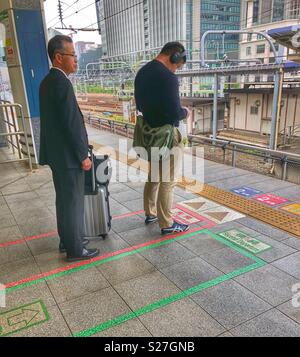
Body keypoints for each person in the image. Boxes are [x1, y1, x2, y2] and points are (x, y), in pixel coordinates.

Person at [39, 35, 100, 261]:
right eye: (72, 55)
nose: (76, 59)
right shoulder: (61, 83)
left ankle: (68, 240)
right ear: (58, 57)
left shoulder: (47, 81)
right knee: (73, 202)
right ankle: (76, 250)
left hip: (58, 156)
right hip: (68, 157)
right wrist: (83, 155)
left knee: (64, 200)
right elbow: (71, 124)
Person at [134, 42, 191, 235]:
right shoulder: (168, 78)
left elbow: (140, 105)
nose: (176, 69)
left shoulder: (141, 73)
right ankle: (166, 223)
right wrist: (185, 112)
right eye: (177, 65)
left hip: (150, 133)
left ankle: (150, 213)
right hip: (167, 134)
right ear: (174, 57)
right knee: (168, 180)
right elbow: (174, 112)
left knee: (154, 176)